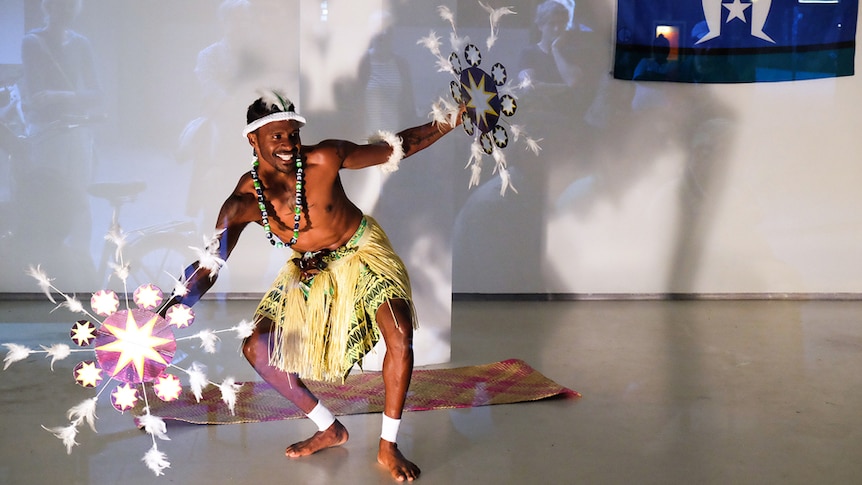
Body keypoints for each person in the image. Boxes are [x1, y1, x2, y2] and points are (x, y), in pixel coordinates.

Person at [169, 90, 462, 482]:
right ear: (253, 141)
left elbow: (398, 146)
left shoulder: (325, 157)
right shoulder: (243, 202)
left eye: (292, 134)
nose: (289, 145)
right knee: (257, 348)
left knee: (400, 332)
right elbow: (208, 267)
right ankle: (329, 427)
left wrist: (453, 119)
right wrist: (159, 316)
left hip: (361, 253)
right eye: (277, 137)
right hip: (308, 270)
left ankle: (388, 445)